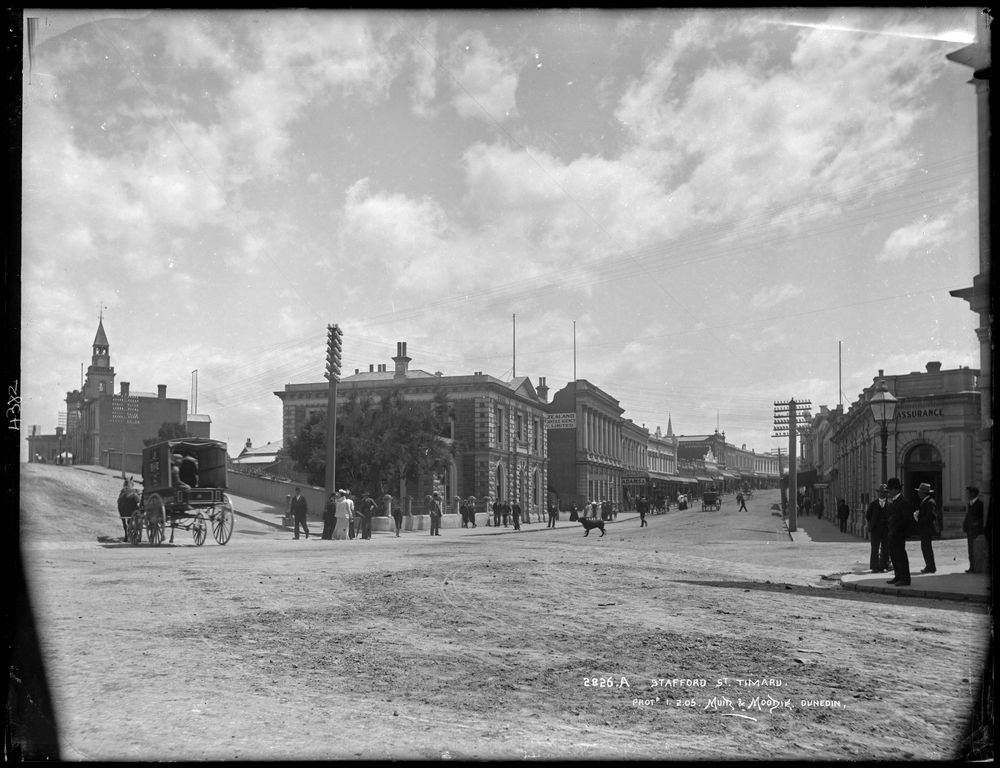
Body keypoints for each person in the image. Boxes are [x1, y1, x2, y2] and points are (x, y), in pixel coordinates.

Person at [885, 477, 911, 586]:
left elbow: (905, 520)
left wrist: (895, 528)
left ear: (896, 489)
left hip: (899, 534)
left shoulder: (903, 502)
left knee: (900, 556)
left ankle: (905, 578)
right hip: (893, 533)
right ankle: (898, 576)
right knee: (894, 556)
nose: (888, 492)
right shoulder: (894, 501)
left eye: (890, 489)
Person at [915, 482, 940, 574]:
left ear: (923, 493)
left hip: (927, 529)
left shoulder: (930, 502)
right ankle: (929, 566)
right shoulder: (926, 501)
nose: (918, 493)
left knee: (927, 548)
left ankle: (930, 567)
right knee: (925, 548)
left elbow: (931, 516)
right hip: (925, 529)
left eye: (919, 491)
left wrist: (919, 519)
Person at [865, 484, 890, 572]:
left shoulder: (890, 504)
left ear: (887, 493)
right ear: (878, 493)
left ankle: (884, 565)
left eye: (884, 492)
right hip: (876, 529)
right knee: (875, 548)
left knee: (886, 548)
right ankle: (874, 567)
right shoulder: (873, 504)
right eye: (881, 492)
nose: (882, 494)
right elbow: (868, 515)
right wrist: (873, 523)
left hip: (886, 529)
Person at [962, 486, 984, 573]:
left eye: (968, 493)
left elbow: (982, 517)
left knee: (976, 550)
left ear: (973, 493)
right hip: (970, 531)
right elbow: (968, 516)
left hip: (976, 531)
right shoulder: (970, 504)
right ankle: (971, 567)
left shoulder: (980, 504)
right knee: (970, 550)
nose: (966, 495)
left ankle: (976, 568)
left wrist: (977, 523)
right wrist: (965, 525)